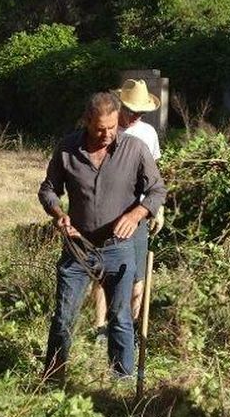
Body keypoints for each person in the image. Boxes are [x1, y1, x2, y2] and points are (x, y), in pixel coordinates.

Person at [39, 91, 167, 383]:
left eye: (112, 127)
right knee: (64, 317)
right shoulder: (67, 149)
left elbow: (158, 190)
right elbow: (47, 190)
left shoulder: (134, 150)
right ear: (86, 121)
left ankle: (121, 380)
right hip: (78, 249)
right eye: (100, 128)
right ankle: (53, 378)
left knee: (120, 317)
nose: (107, 134)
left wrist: (136, 215)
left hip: (118, 248)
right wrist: (59, 215)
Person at [90, 79, 164, 336]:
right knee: (102, 274)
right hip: (107, 215)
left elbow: (156, 178)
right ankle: (100, 327)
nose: (135, 117)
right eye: (131, 111)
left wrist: (157, 210)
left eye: (140, 112)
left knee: (137, 274)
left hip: (139, 214)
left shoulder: (148, 134)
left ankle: (130, 327)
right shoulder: (104, 131)